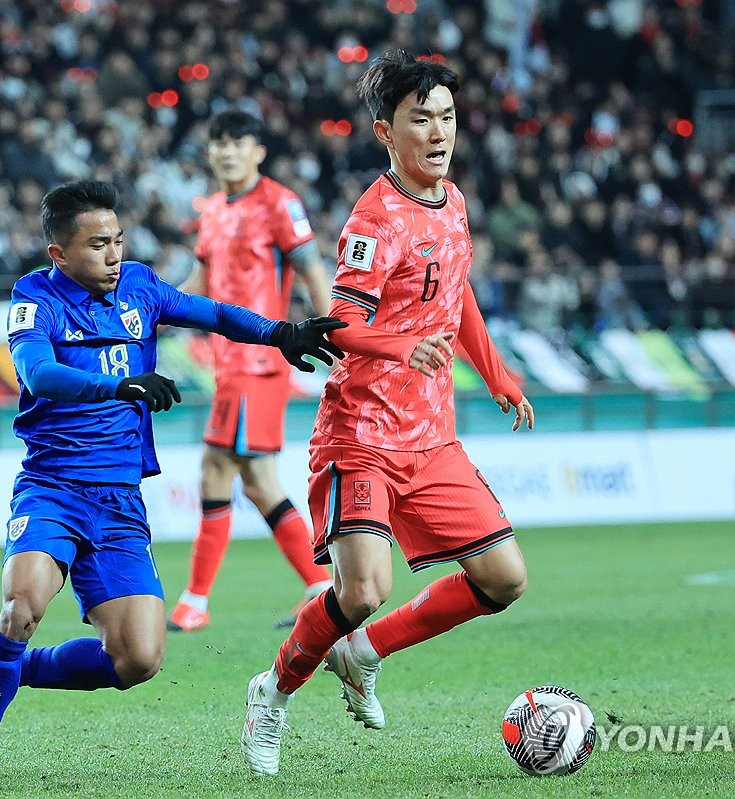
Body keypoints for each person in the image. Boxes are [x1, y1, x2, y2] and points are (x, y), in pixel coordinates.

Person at [0, 179, 344, 792]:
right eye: (97, 244)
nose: (113, 255)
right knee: (20, 605)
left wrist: (281, 333)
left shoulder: (138, 286)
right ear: (60, 254)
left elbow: (211, 313)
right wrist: (119, 386)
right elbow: (38, 373)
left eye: (118, 241)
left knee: (138, 660)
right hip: (53, 488)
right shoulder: (34, 296)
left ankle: (11, 670)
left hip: (120, 501)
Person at [239, 51, 535, 777]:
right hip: (362, 436)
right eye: (420, 119)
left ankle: (364, 653)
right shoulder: (374, 221)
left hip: (432, 438)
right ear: (385, 130)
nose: (438, 132)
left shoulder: (454, 201)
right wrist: (405, 344)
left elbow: (456, 292)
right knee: (364, 588)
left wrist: (495, 372)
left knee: (503, 578)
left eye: (447, 117)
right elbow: (339, 323)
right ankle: (272, 691)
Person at [167, 110, 335, 633]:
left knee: (217, 470)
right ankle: (321, 587)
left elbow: (311, 272)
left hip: (260, 360)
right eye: (218, 142)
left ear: (258, 151)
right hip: (227, 361)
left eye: (238, 142)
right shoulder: (212, 209)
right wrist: (151, 305)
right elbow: (200, 277)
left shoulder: (280, 203)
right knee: (258, 482)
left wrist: (336, 337)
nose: (227, 151)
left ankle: (195, 601)